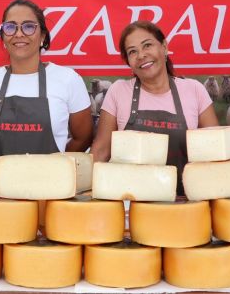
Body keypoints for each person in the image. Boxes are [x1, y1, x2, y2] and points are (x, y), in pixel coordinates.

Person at [91, 20, 219, 194]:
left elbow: (216, 151)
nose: (141, 55)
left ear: (164, 47)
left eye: (147, 45)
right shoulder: (118, 91)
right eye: (132, 52)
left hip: (185, 204)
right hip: (132, 204)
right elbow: (100, 152)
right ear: (128, 61)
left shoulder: (194, 90)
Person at [0, 0, 93, 161]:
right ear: (3, 37)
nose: (19, 34)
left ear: (42, 35)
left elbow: (83, 138)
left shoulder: (68, 79)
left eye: (28, 26)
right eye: (10, 27)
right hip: (0, 184)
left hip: (51, 183)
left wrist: (58, 165)